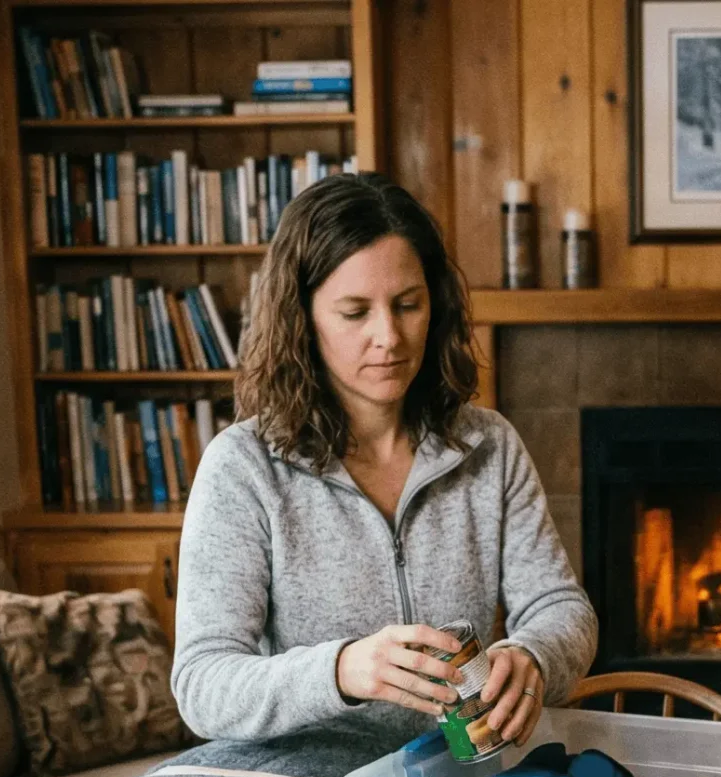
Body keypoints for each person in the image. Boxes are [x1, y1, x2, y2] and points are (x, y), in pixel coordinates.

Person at [171, 174, 595, 747]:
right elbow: (202, 685)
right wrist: (341, 670)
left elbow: (560, 607)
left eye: (407, 305)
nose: (389, 337)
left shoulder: (489, 446)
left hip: (453, 769)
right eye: (354, 313)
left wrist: (533, 655)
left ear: (435, 306)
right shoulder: (243, 467)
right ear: (302, 319)